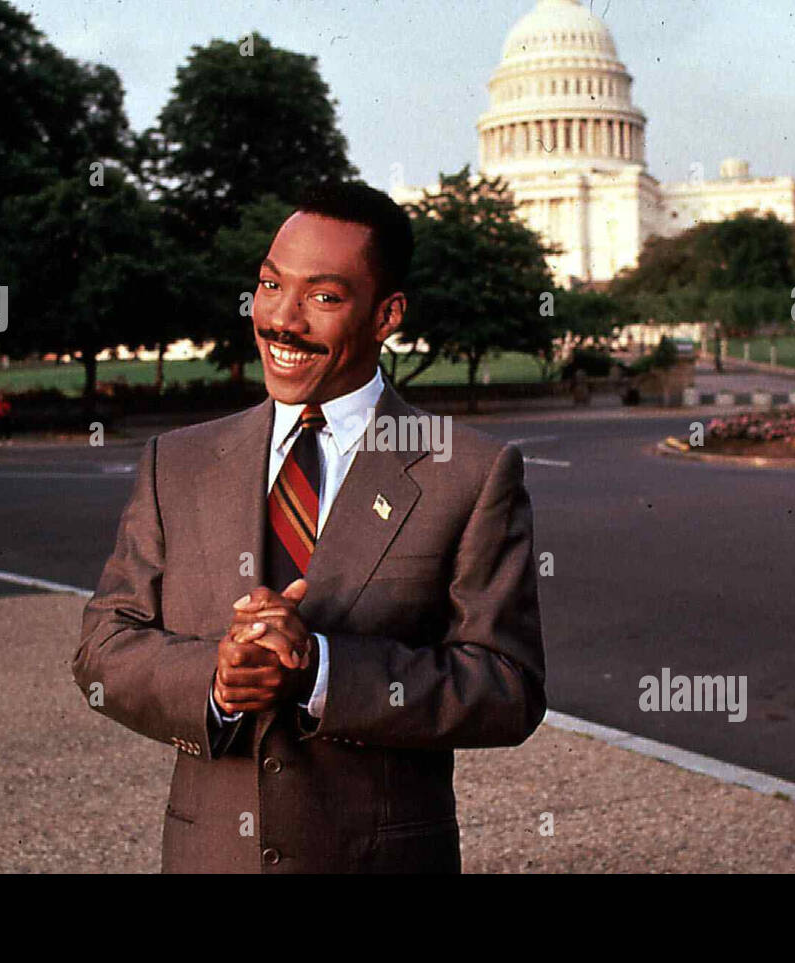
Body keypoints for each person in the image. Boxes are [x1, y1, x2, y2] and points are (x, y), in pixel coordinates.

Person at [74, 182, 546, 874]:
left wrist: (323, 668)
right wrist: (216, 679)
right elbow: (102, 648)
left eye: (322, 297)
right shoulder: (174, 462)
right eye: (269, 285)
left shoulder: (470, 472)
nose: (280, 320)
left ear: (387, 315)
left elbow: (509, 688)